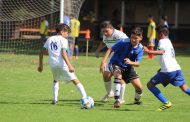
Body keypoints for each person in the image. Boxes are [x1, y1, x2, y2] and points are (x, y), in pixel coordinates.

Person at [37, 23, 87, 104]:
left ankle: (55, 99)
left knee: (56, 80)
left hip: (52, 64)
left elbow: (41, 52)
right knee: (75, 80)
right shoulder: (63, 40)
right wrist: (70, 66)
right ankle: (85, 97)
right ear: (61, 31)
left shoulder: (50, 39)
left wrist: (40, 65)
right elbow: (63, 53)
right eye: (67, 32)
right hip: (61, 64)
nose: (67, 34)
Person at [143, 26, 190, 111]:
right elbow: (167, 56)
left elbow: (162, 52)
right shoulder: (168, 41)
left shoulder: (162, 41)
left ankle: (166, 103)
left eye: (157, 34)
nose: (157, 36)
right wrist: (161, 68)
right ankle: (166, 103)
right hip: (176, 69)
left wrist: (149, 51)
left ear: (161, 34)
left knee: (150, 85)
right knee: (185, 88)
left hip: (168, 71)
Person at [100, 27, 144, 108]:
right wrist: (103, 62)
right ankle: (117, 100)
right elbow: (110, 49)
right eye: (132, 37)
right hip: (115, 63)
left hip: (128, 67)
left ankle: (136, 101)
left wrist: (131, 62)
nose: (133, 40)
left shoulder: (140, 48)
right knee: (118, 74)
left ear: (141, 38)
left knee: (139, 88)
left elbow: (138, 63)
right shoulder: (123, 41)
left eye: (136, 38)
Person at [95, 21, 128, 103]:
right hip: (112, 56)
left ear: (112, 29)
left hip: (122, 56)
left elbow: (129, 44)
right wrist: (98, 50)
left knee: (119, 76)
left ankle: (121, 98)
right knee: (106, 74)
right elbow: (103, 42)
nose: (105, 33)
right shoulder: (105, 36)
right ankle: (110, 93)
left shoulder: (120, 35)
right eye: (103, 31)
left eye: (106, 31)